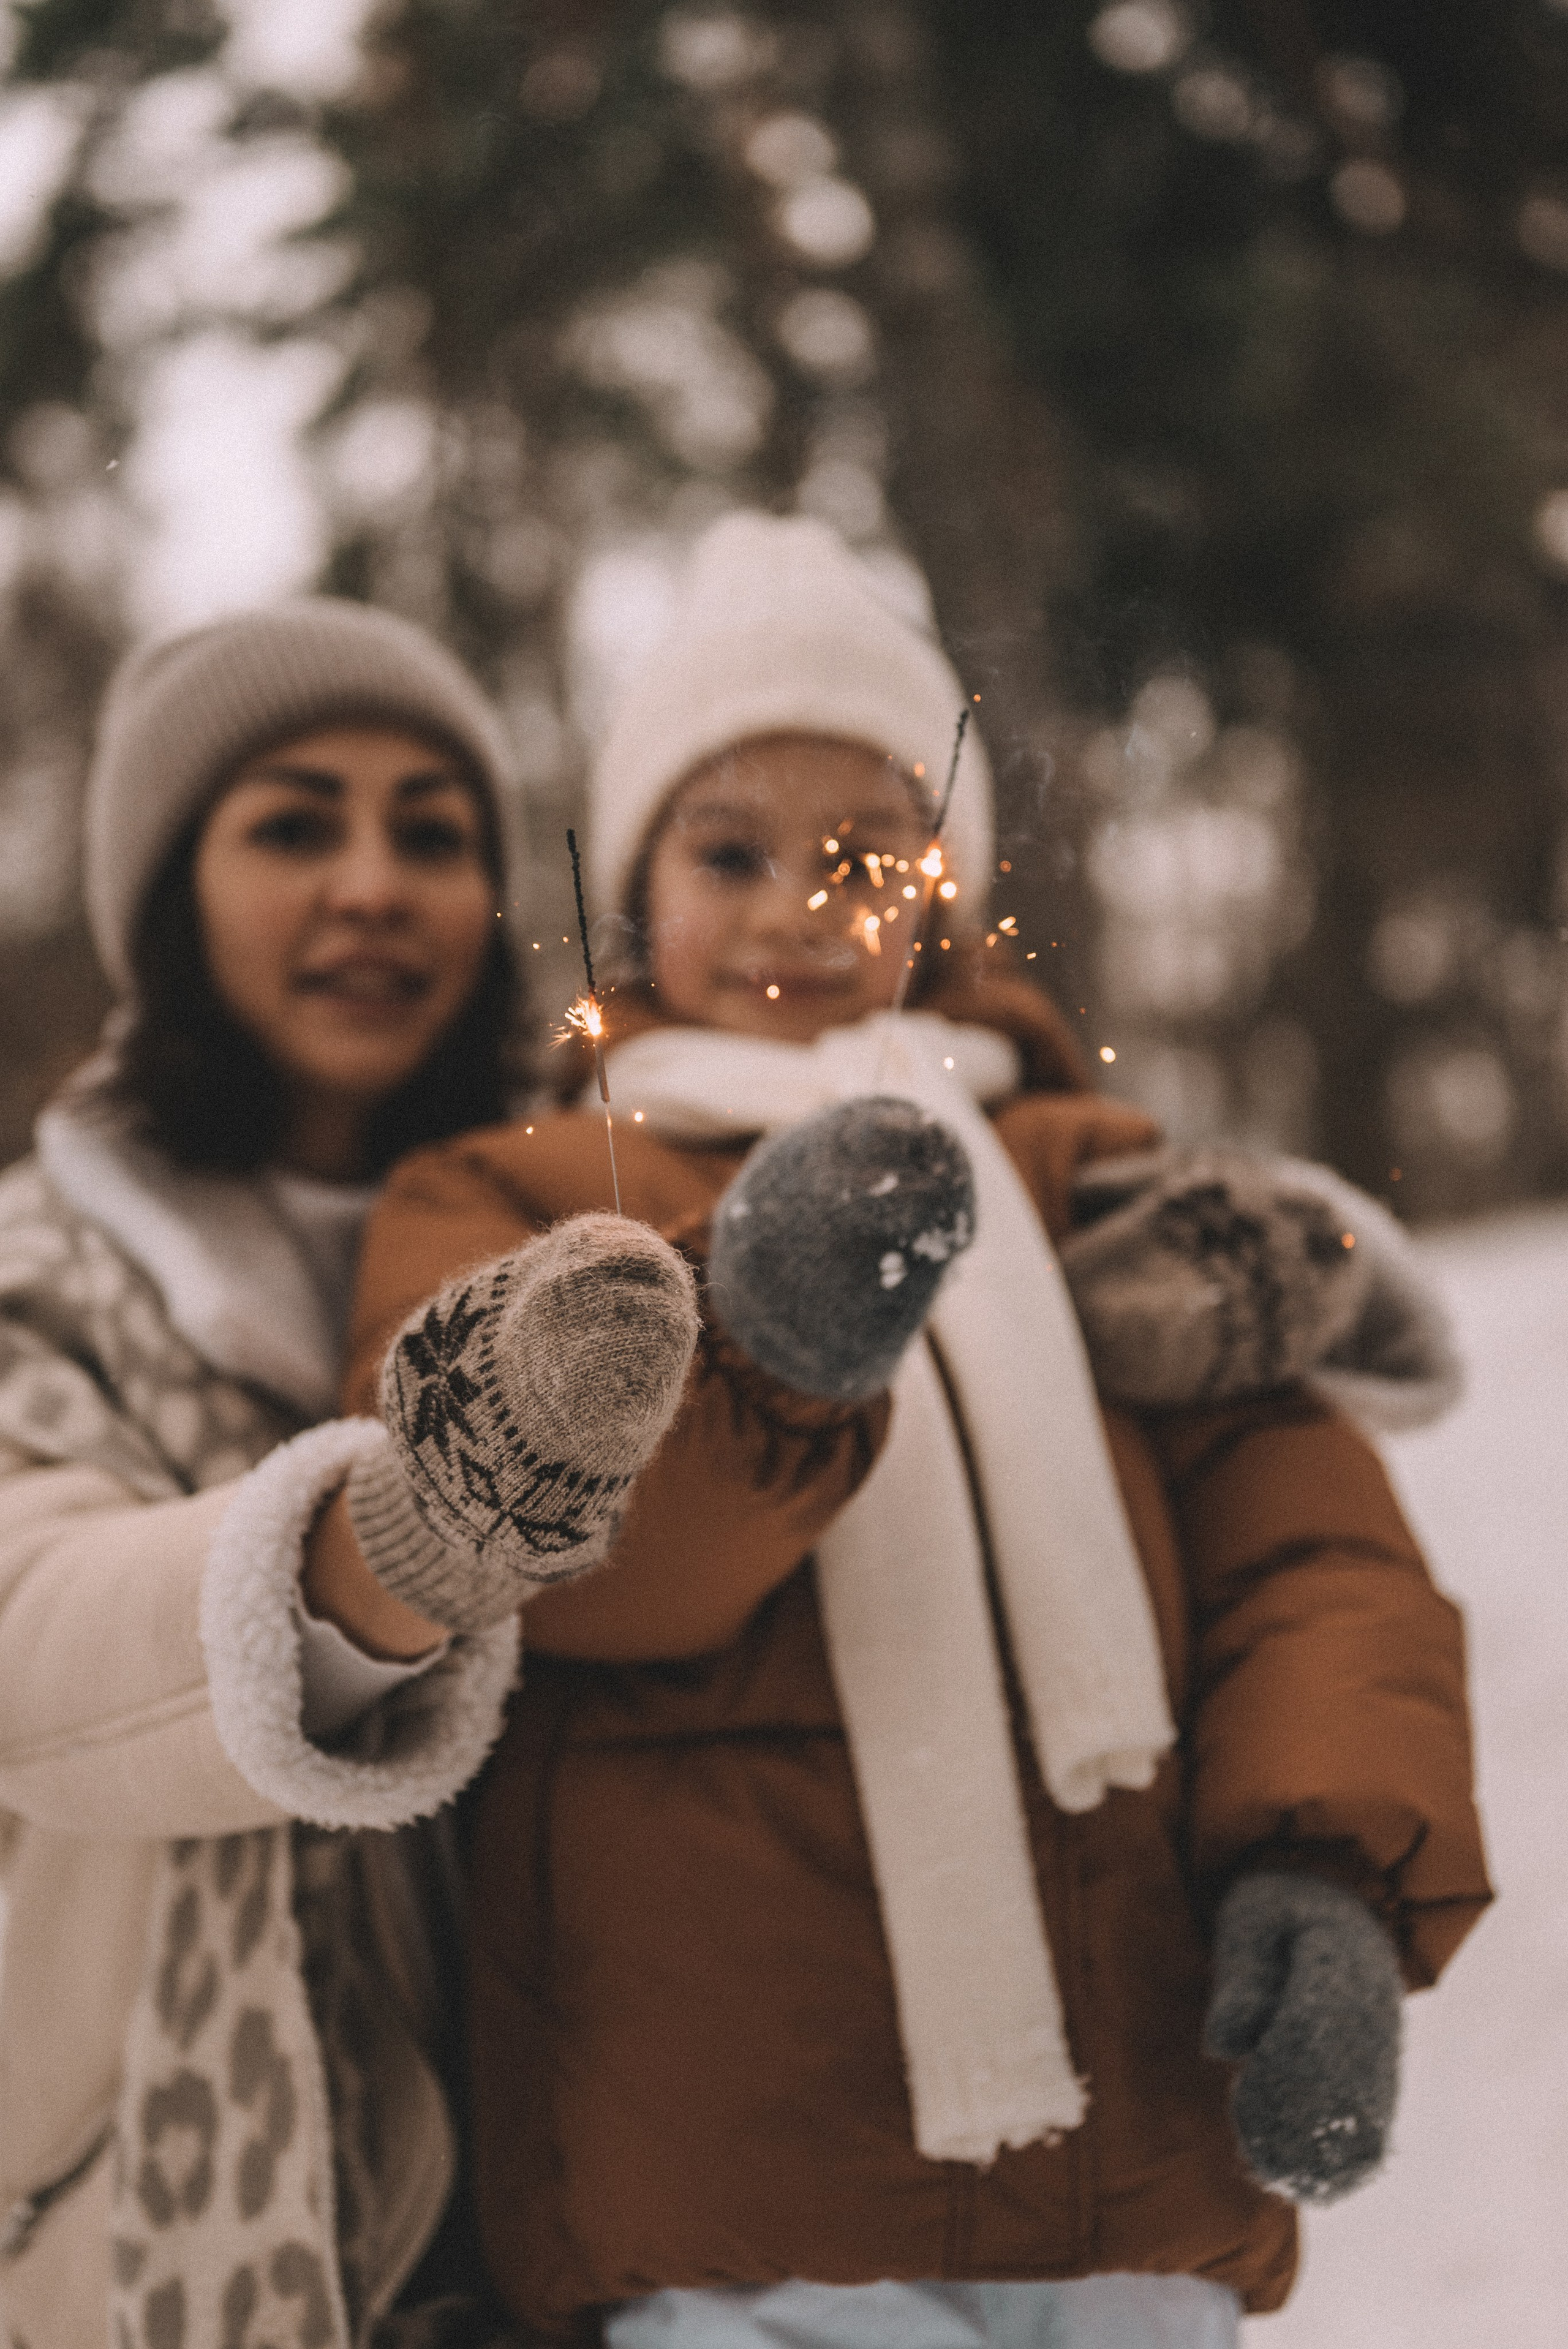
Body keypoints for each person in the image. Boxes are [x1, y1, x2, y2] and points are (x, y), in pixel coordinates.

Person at [342, 516, 1493, 2349]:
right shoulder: (521, 1196)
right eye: (732, 851)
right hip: (728, 2168)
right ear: (641, 885)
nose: (804, 903)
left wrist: (1328, 1862)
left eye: (867, 855)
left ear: (948, 895)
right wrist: (760, 1342)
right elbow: (544, 1580)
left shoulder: (1110, 1199)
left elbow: (1315, 1556)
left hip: (1136, 2148)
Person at [0, 600, 699, 2349]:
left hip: (640, 2242)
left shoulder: (622, 1227)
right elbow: (36, 1636)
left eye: (434, 829)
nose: (376, 882)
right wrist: (417, 1529)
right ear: (171, 896)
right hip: (190, 2252)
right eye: (295, 821)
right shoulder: (42, 1270)